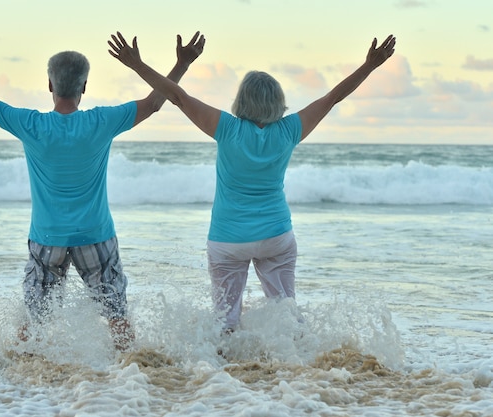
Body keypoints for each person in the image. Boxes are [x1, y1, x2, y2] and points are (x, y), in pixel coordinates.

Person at [0, 31, 206, 351]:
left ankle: (18, 385)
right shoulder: (101, 121)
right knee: (116, 319)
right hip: (96, 236)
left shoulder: (31, 124)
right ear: (84, 87)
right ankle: (130, 376)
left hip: (47, 239)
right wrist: (181, 63)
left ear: (49, 85)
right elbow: (156, 103)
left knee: (35, 322)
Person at [108, 32, 396, 332]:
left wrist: (136, 64)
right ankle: (301, 372)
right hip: (276, 237)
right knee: (286, 315)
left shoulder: (227, 128)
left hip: (228, 239)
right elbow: (333, 97)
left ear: (241, 101)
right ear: (279, 103)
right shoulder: (289, 130)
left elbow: (178, 97)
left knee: (225, 321)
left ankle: (223, 376)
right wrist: (370, 66)